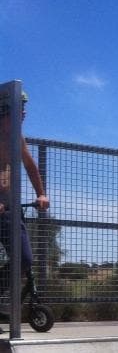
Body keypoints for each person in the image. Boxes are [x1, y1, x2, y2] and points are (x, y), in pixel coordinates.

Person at [0, 91, 50, 283]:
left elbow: (30, 166)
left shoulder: (16, 138)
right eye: (19, 108)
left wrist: (41, 194)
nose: (24, 113)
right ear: (4, 110)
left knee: (24, 260)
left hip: (9, 211)